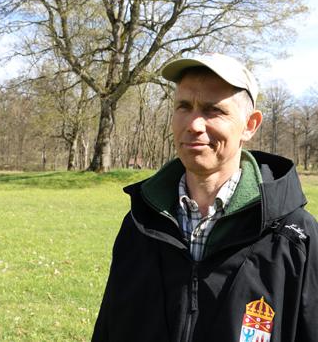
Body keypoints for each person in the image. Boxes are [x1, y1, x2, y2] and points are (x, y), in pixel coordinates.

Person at [92, 53, 318, 342]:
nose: (194, 124)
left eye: (213, 110)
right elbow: (109, 328)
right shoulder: (140, 222)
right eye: (184, 106)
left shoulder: (294, 237)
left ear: (250, 125)